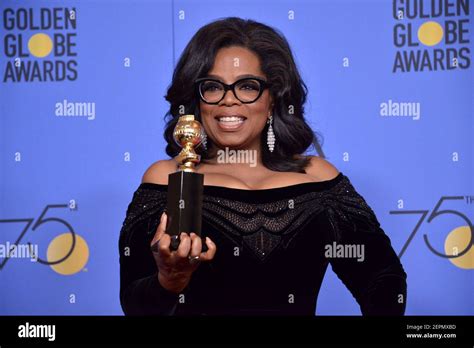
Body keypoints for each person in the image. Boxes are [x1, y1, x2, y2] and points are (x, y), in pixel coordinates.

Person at [118, 17, 407, 316]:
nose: (228, 101)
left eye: (247, 86)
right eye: (213, 87)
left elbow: (383, 279)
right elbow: (135, 305)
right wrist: (170, 280)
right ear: (197, 99)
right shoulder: (169, 178)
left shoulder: (318, 177)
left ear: (273, 99)